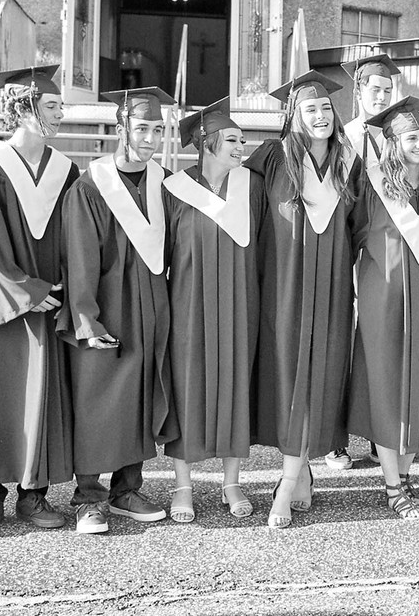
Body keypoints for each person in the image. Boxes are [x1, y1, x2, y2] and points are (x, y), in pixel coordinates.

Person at [0, 65, 77, 535]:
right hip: (5, 305)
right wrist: (26, 290)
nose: (61, 114)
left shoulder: (66, 170)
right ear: (24, 108)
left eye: (61, 105)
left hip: (49, 300)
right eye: (52, 105)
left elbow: (75, 237)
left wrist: (63, 288)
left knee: (41, 395)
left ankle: (33, 496)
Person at [244, 70, 360, 528]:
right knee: (288, 373)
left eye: (326, 107)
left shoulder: (348, 161)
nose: (320, 115)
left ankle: (299, 470)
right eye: (310, 109)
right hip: (284, 283)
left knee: (322, 372)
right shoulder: (271, 156)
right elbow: (245, 211)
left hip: (332, 284)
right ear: (293, 115)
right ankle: (292, 474)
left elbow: (361, 223)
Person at [59, 87, 178, 534]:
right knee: (97, 397)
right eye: (142, 128)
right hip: (107, 305)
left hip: (152, 305)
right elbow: (79, 257)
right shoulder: (91, 186)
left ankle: (126, 490)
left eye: (157, 130)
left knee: (138, 396)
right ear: (120, 128)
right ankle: (88, 498)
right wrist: (86, 318)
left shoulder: (163, 182)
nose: (150, 138)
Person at [162, 98, 266, 522]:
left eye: (242, 140)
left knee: (236, 383)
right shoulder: (174, 190)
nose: (242, 147)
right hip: (189, 305)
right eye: (233, 140)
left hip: (241, 302)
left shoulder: (252, 187)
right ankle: (183, 486)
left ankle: (232, 482)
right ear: (207, 144)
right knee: (188, 388)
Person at [347, 97, 419, 520]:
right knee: (388, 387)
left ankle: (404, 477)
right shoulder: (370, 185)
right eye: (411, 138)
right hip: (384, 303)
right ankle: (392, 486)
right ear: (392, 142)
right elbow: (350, 238)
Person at [332, 53, 402, 470]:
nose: (381, 96)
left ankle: (380, 433)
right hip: (343, 244)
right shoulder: (341, 137)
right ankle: (335, 438)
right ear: (358, 90)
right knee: (341, 337)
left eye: (387, 90)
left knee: (379, 338)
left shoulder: (396, 135)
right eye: (375, 89)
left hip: (383, 248)